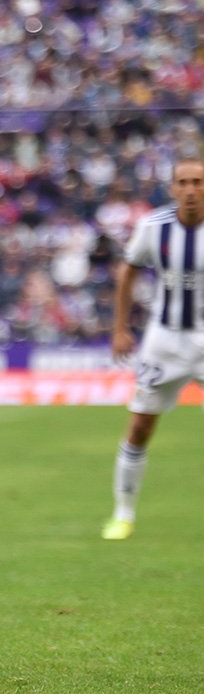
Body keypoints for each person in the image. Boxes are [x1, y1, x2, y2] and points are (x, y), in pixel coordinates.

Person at [102, 157, 204, 540]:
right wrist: (119, 328)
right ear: (173, 188)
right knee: (141, 424)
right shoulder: (153, 227)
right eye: (184, 182)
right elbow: (128, 270)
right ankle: (123, 513)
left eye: (198, 181)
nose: (191, 189)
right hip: (165, 342)